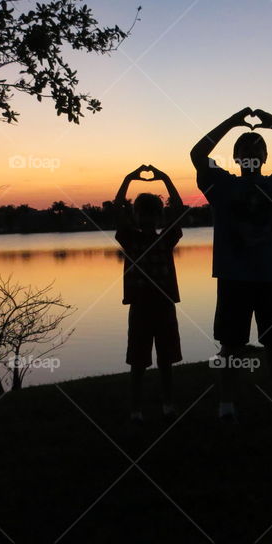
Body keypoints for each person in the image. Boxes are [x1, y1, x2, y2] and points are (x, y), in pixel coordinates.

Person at [190, 108, 272, 422]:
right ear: (235, 157)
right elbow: (197, 152)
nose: (250, 153)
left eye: (256, 149)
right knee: (230, 346)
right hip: (235, 278)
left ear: (264, 157)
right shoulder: (220, 185)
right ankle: (226, 407)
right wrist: (231, 122)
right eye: (244, 150)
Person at [114, 165, 185, 422]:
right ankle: (136, 410)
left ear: (158, 217)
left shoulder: (165, 239)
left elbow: (178, 209)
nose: (147, 219)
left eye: (152, 214)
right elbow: (117, 208)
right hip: (141, 307)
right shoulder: (130, 239)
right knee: (138, 362)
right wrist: (128, 178)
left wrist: (166, 178)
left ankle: (168, 405)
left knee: (166, 360)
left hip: (164, 305)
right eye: (142, 214)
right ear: (136, 216)